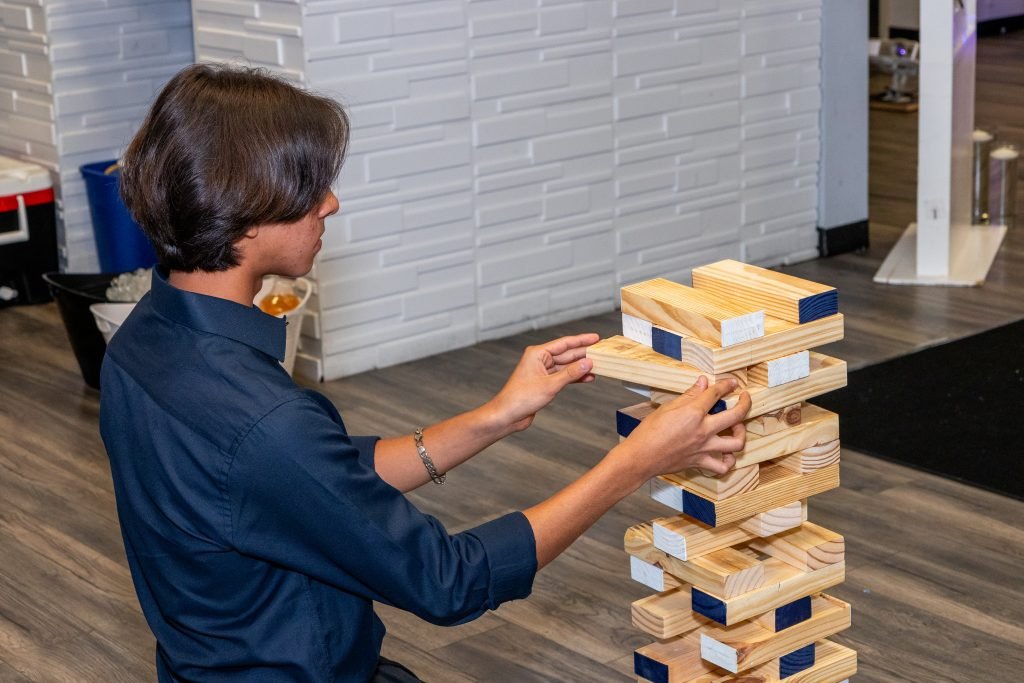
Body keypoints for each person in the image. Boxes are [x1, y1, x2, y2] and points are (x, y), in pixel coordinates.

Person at [100, 63, 752, 682]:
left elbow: (320, 482)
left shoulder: (140, 342)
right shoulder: (263, 424)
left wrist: (497, 416)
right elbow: (449, 580)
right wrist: (636, 461)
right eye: (308, 188)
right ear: (246, 211)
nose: (329, 204)